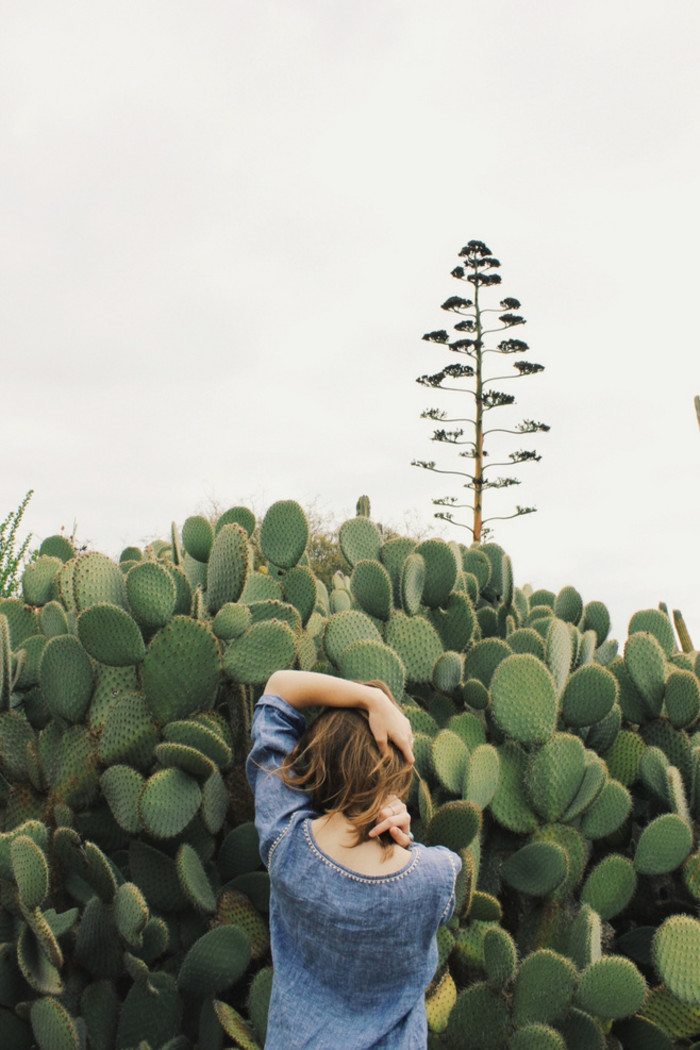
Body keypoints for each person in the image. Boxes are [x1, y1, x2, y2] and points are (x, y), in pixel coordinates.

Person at [246, 669, 461, 1049]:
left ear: (317, 761)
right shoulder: (435, 876)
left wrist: (370, 702)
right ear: (398, 768)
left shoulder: (286, 845)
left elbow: (278, 690)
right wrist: (405, 843)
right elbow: (432, 875)